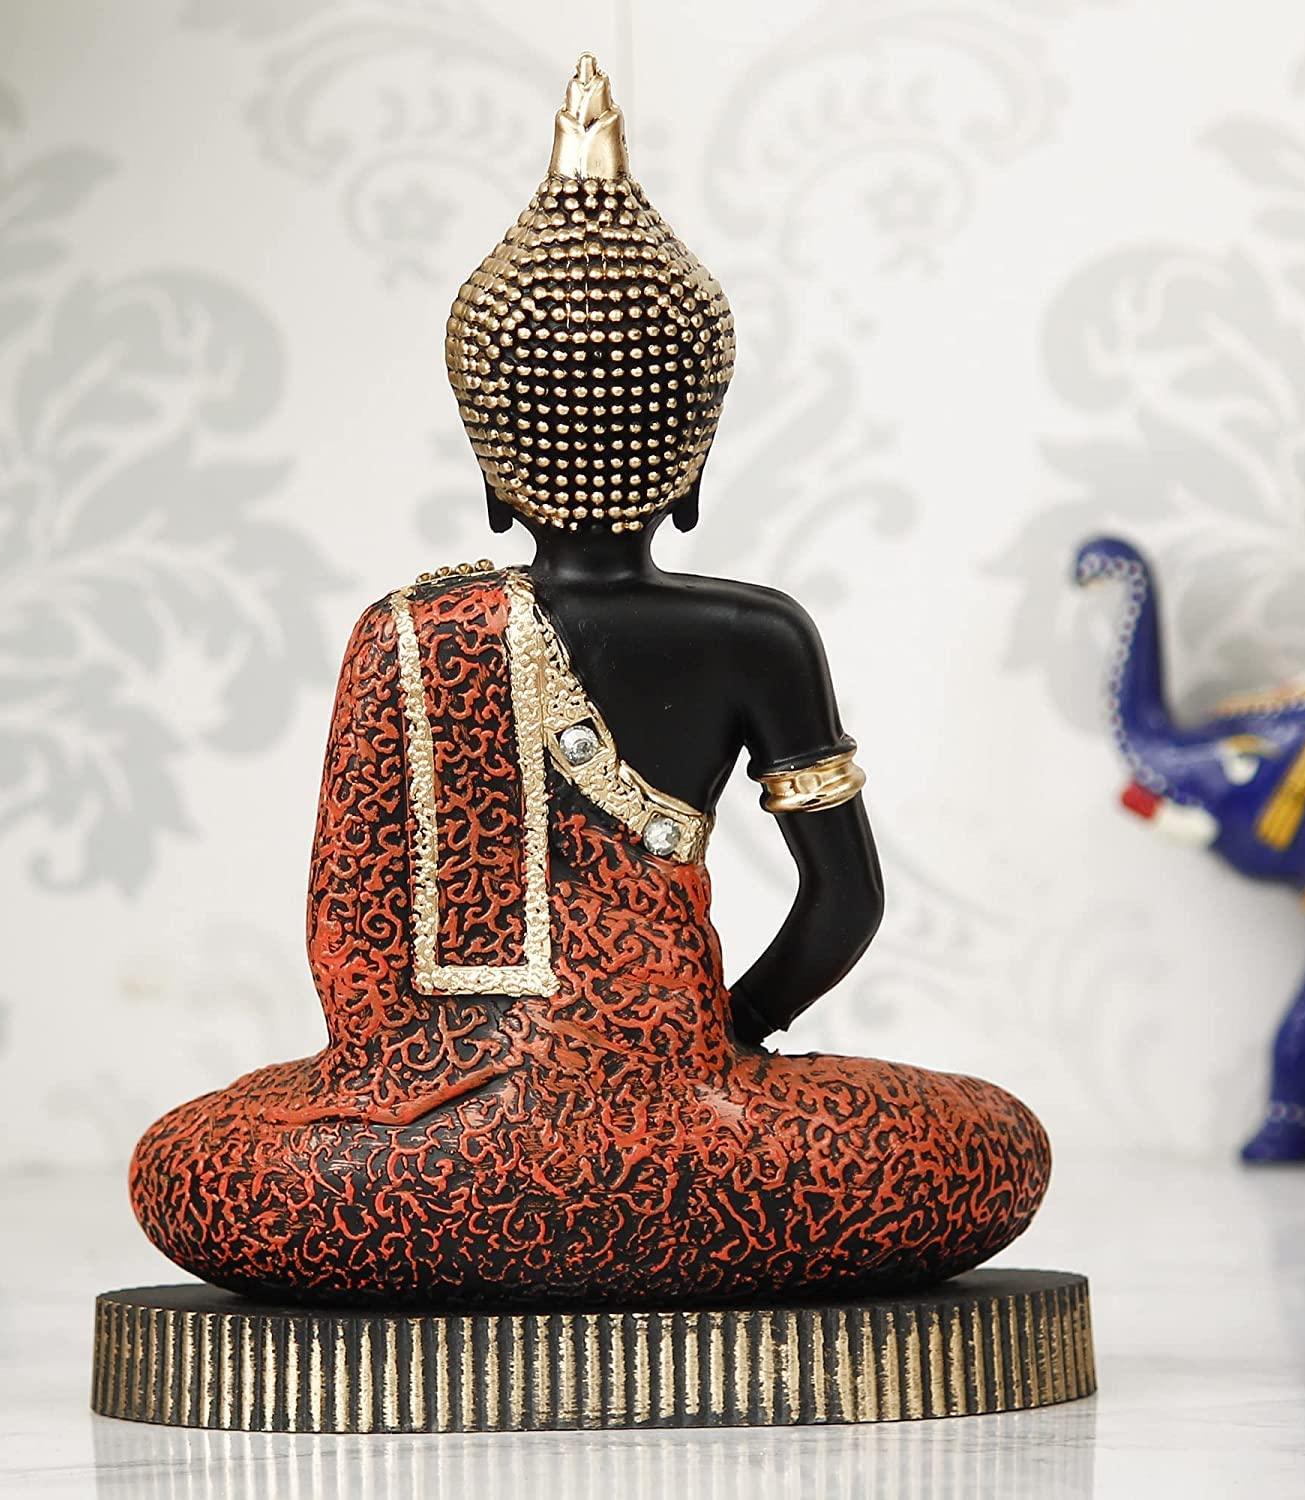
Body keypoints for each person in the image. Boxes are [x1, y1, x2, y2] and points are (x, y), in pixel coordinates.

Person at [130, 55, 1048, 1306]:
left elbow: (349, 945)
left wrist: (414, 1084)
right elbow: (845, 906)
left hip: (424, 1161)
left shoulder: (404, 635)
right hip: (697, 1145)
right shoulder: (760, 634)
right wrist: (721, 1040)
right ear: (694, 466)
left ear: (493, 474)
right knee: (985, 1143)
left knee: (193, 1167)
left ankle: (459, 1240)